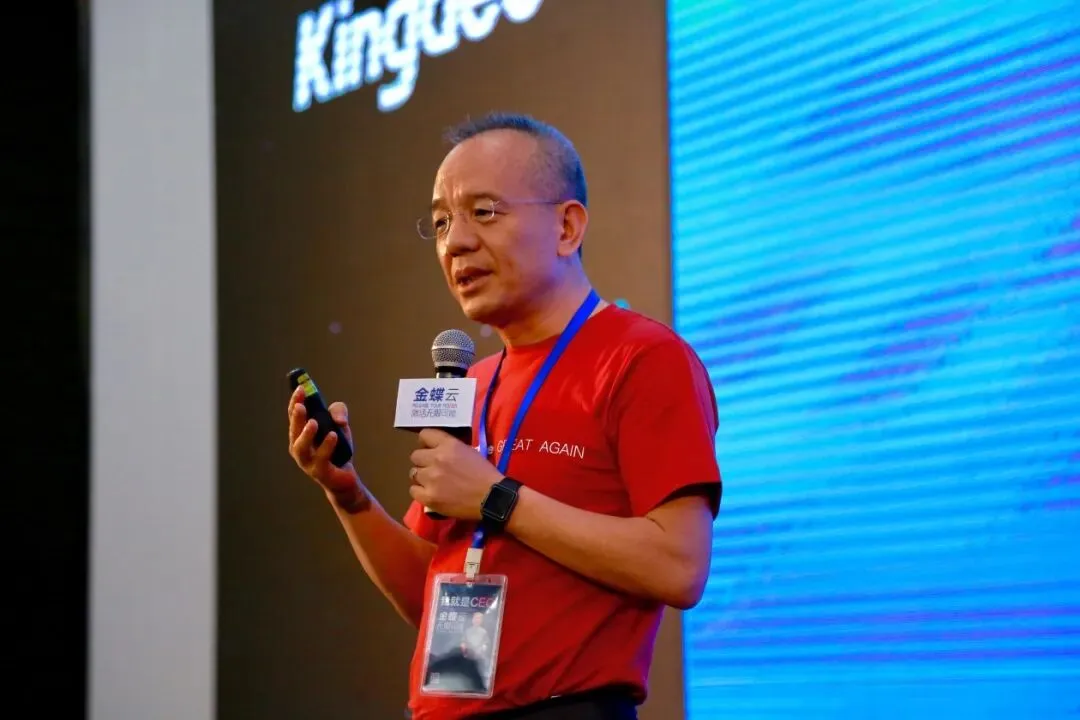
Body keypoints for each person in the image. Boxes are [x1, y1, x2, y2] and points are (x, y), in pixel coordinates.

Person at [287, 112, 722, 720]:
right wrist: (348, 495)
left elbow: (679, 566)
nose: (455, 243)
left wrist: (497, 499)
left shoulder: (642, 358)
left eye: (484, 212)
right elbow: (426, 595)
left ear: (567, 227)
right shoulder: (470, 382)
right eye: (441, 222)